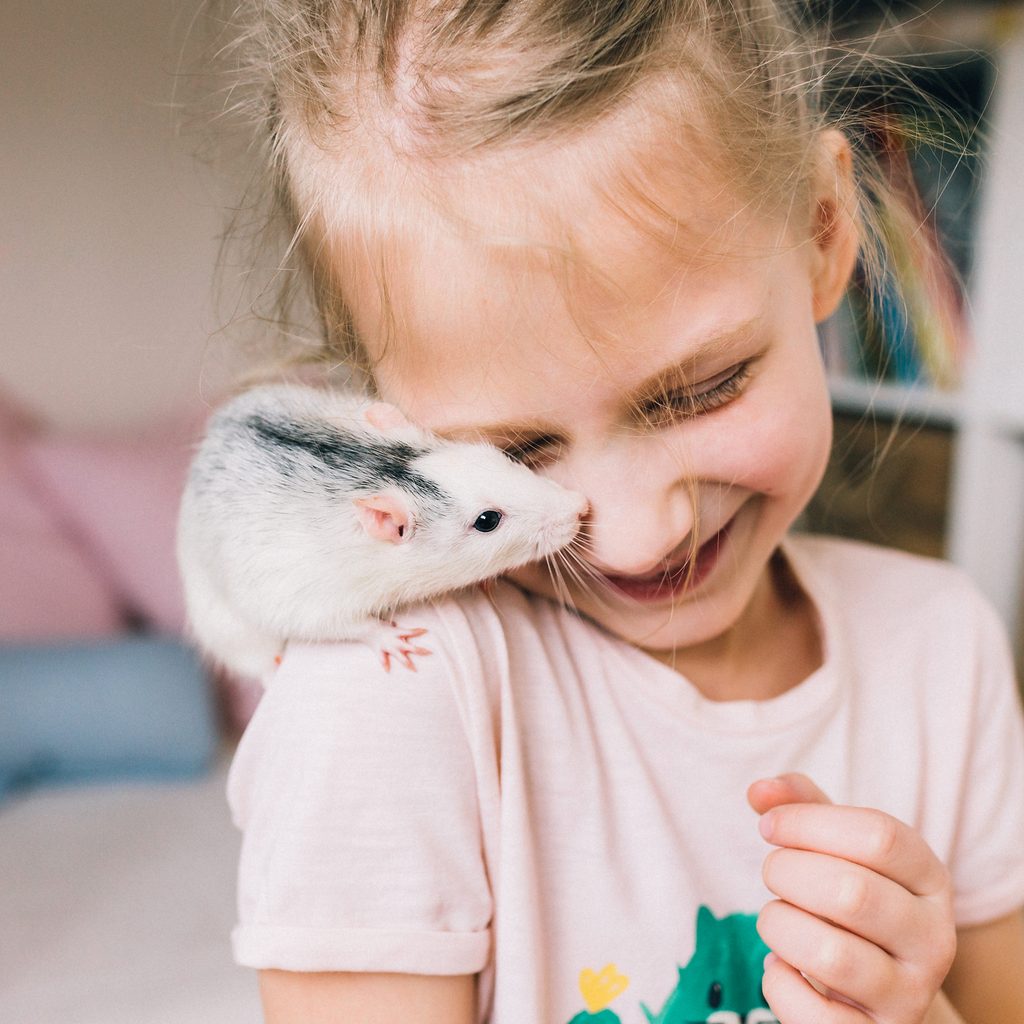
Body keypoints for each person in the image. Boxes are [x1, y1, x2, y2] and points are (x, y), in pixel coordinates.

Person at [216, 1, 1024, 1021]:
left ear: (824, 231)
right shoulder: (382, 701)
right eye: (512, 454)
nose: (643, 534)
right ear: (385, 425)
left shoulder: (943, 648)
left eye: (702, 388)